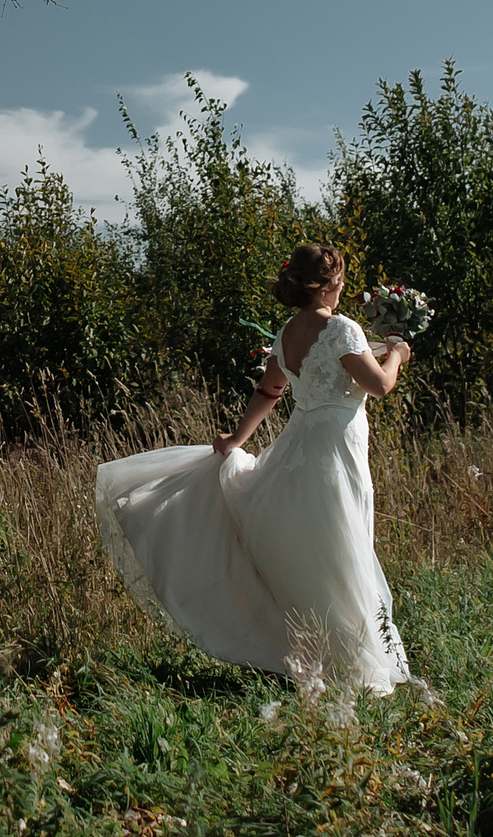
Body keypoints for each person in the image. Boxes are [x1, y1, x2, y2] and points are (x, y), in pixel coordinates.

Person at [94, 244, 414, 695]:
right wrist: (397, 353)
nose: (343, 290)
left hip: (298, 446)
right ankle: (353, 660)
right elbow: (379, 385)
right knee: (342, 547)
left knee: (316, 551)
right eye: (340, 282)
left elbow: (269, 391)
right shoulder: (342, 328)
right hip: (334, 450)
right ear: (325, 286)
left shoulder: (287, 332)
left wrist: (236, 440)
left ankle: (322, 655)